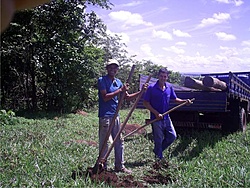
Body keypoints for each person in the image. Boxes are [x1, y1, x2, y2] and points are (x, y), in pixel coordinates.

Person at [97, 59, 146, 174]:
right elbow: (105, 97)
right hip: (105, 116)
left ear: (117, 70)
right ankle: (102, 166)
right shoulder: (102, 80)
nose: (113, 69)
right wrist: (120, 90)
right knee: (105, 143)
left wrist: (141, 92)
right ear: (107, 68)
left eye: (115, 68)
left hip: (116, 115)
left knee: (119, 140)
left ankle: (120, 166)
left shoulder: (118, 82)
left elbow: (127, 97)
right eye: (111, 67)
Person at [143, 68, 192, 163]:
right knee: (159, 139)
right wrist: (156, 113)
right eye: (161, 76)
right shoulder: (151, 88)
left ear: (167, 77)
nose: (163, 78)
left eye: (165, 76)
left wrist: (184, 102)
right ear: (158, 76)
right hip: (156, 119)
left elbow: (175, 99)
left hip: (166, 117)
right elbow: (146, 103)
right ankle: (159, 159)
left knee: (172, 136)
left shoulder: (169, 87)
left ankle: (158, 151)